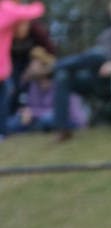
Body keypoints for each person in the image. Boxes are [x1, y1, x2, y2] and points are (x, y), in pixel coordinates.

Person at [51, 0, 111, 142]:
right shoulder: (109, 34)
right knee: (63, 76)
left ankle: (55, 66)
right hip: (97, 76)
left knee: (96, 55)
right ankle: (62, 129)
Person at [7, 47, 88, 134]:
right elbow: (31, 105)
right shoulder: (33, 85)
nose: (30, 66)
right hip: (39, 118)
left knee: (47, 120)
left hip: (69, 119)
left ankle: (33, 129)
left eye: (34, 63)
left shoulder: (61, 80)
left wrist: (32, 113)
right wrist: (26, 112)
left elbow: (58, 110)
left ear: (44, 65)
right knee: (13, 122)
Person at [0, 0, 45, 140]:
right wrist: (38, 4)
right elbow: (35, 11)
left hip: (4, 70)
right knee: (4, 100)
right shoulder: (7, 8)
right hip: (2, 70)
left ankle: (3, 131)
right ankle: (2, 132)